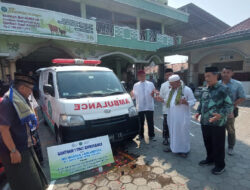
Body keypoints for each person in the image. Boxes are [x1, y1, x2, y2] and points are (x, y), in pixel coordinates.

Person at [0, 73, 48, 190]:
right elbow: (3, 129)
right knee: (25, 183)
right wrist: (13, 150)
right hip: (16, 151)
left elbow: (23, 123)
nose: (31, 92)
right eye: (30, 89)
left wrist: (31, 137)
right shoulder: (8, 103)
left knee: (35, 180)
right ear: (22, 88)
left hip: (25, 146)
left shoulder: (20, 100)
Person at [195, 67, 233, 175]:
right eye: (205, 76)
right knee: (208, 142)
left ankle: (220, 166)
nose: (206, 78)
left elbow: (230, 106)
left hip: (218, 123)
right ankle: (210, 159)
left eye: (209, 76)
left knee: (218, 145)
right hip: (205, 122)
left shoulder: (223, 89)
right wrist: (198, 112)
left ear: (216, 76)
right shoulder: (205, 89)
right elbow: (202, 102)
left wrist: (220, 115)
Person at [156, 75, 196, 157]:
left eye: (172, 84)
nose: (170, 86)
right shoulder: (171, 91)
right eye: (170, 84)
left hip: (182, 117)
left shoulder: (186, 90)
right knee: (173, 132)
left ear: (178, 82)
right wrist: (162, 100)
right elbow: (168, 102)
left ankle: (184, 150)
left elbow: (193, 101)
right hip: (172, 116)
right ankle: (173, 148)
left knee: (182, 133)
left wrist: (186, 102)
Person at [220, 67, 246, 155]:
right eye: (224, 72)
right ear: (221, 73)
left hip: (230, 112)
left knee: (230, 130)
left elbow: (242, 97)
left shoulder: (237, 84)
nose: (225, 74)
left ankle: (231, 146)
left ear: (232, 73)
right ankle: (219, 146)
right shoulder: (217, 84)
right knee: (219, 130)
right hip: (218, 112)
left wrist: (233, 105)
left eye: (228, 72)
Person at [131, 70, 156, 141]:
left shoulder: (150, 84)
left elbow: (154, 93)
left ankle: (152, 135)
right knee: (140, 122)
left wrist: (154, 94)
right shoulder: (135, 85)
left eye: (144, 75)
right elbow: (134, 96)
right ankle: (141, 135)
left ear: (145, 76)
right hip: (140, 106)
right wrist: (132, 95)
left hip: (149, 106)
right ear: (138, 77)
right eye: (141, 76)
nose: (142, 77)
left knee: (150, 121)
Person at [159, 68, 173, 145]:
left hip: (176, 109)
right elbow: (161, 96)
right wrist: (160, 99)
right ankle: (165, 138)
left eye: (170, 74)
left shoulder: (180, 83)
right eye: (167, 75)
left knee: (175, 125)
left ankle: (175, 140)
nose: (168, 76)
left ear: (173, 74)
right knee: (166, 125)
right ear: (165, 76)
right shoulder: (163, 85)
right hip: (166, 109)